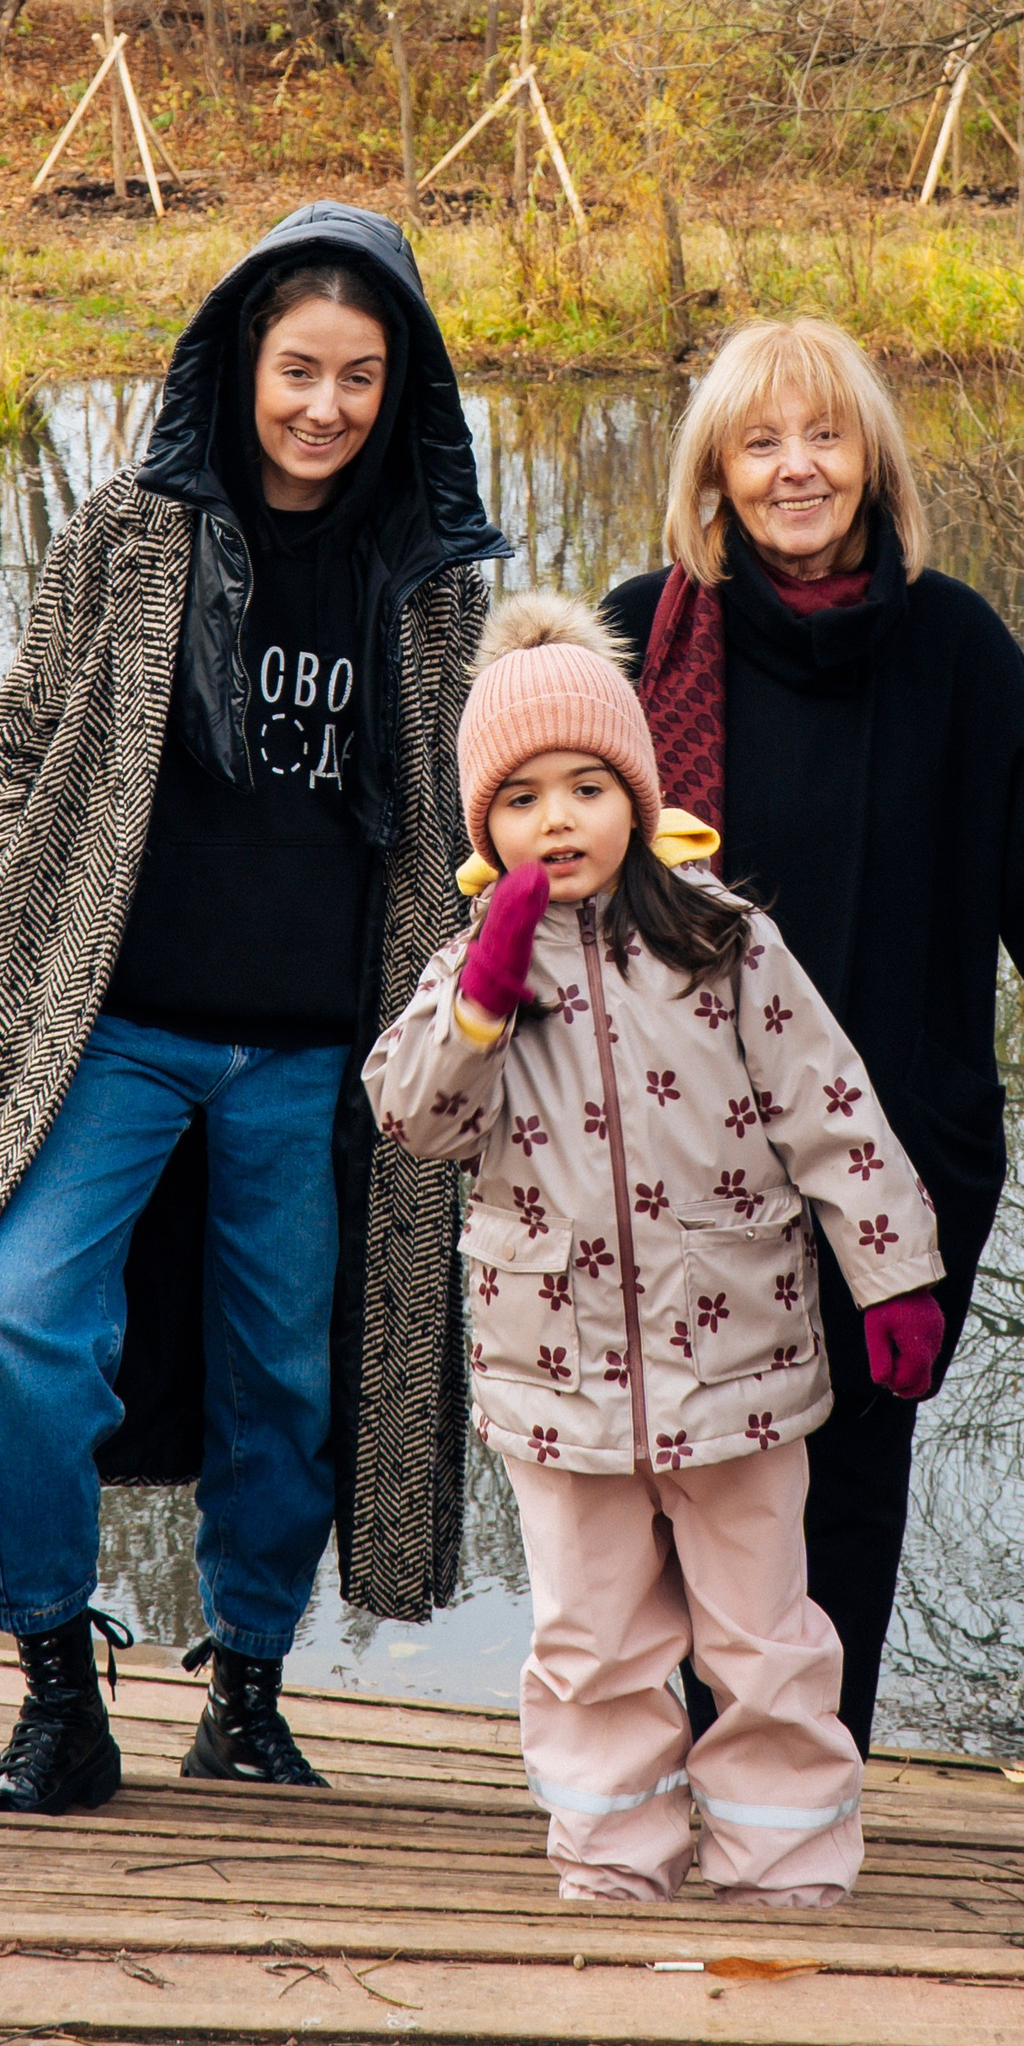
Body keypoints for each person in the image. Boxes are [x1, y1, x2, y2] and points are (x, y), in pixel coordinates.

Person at [0, 202, 506, 1815]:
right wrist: (1, 937)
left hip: (318, 1058)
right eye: (298, 368)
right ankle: (53, 1688)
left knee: (296, 1376)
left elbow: (492, 801)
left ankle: (245, 1684)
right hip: (114, 1034)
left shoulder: (433, 581)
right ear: (242, 363)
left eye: (361, 377)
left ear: (403, 388)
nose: (325, 406)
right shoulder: (133, 531)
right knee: (12, 1322)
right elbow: (20, 745)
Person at [600, 316, 1024, 1749]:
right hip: (675, 1162)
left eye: (824, 435)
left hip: (897, 1162)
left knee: (849, 1509)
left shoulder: (958, 648)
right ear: (718, 471)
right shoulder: (641, 643)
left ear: (872, 457)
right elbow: (538, 869)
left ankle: (806, 1793)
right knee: (677, 1488)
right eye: (761, 442)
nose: (796, 469)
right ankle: (662, 1788)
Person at [364, 593, 944, 1904]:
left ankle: (783, 1858)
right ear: (484, 828)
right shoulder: (472, 975)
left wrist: (893, 1273)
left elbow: (833, 1113)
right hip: (558, 1386)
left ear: (638, 793)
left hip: (738, 1364)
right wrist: (479, 1006)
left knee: (766, 1635)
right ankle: (614, 1854)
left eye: (585, 786)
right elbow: (411, 1118)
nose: (556, 820)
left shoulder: (724, 942)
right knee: (595, 1641)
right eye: (519, 799)